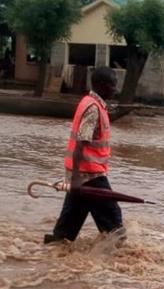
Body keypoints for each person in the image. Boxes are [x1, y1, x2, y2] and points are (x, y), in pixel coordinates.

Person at [44, 67, 124, 244]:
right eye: (113, 85)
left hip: (80, 173)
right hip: (89, 174)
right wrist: (77, 179)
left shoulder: (88, 101)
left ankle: (54, 248)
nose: (115, 89)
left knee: (69, 225)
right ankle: (121, 259)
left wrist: (75, 178)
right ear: (102, 86)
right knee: (113, 222)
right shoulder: (93, 109)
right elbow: (81, 144)